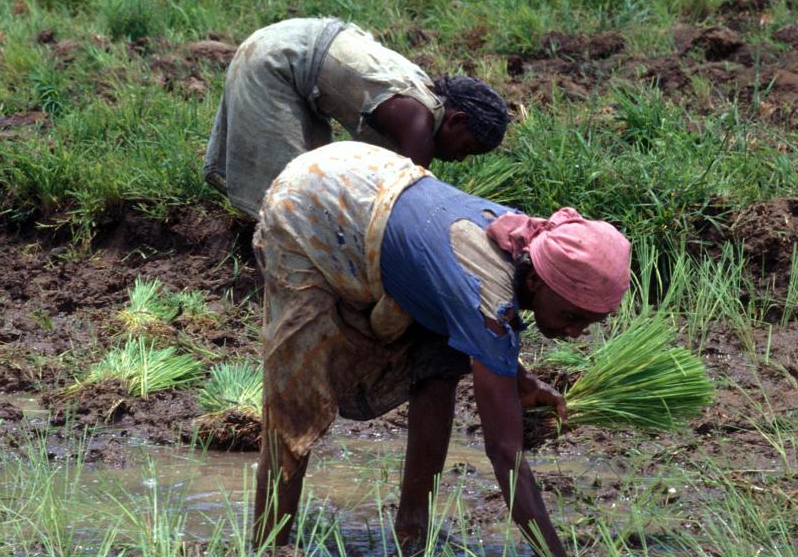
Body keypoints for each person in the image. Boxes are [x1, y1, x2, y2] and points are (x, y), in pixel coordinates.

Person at [252, 141, 631, 555]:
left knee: (441, 363)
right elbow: (504, 452)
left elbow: (482, 322)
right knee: (295, 394)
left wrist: (521, 380)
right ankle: (269, 543)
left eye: (587, 323)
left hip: (370, 179)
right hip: (314, 203)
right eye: (572, 316)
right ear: (537, 280)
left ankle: (412, 529)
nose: (575, 332)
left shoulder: (525, 243)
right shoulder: (489, 292)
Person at [203, 17, 512, 217]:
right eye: (466, 148)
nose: (460, 159)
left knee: (312, 181)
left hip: (293, 45)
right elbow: (404, 204)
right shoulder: (417, 123)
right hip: (277, 61)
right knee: (288, 197)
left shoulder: (423, 95)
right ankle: (268, 260)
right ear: (456, 121)